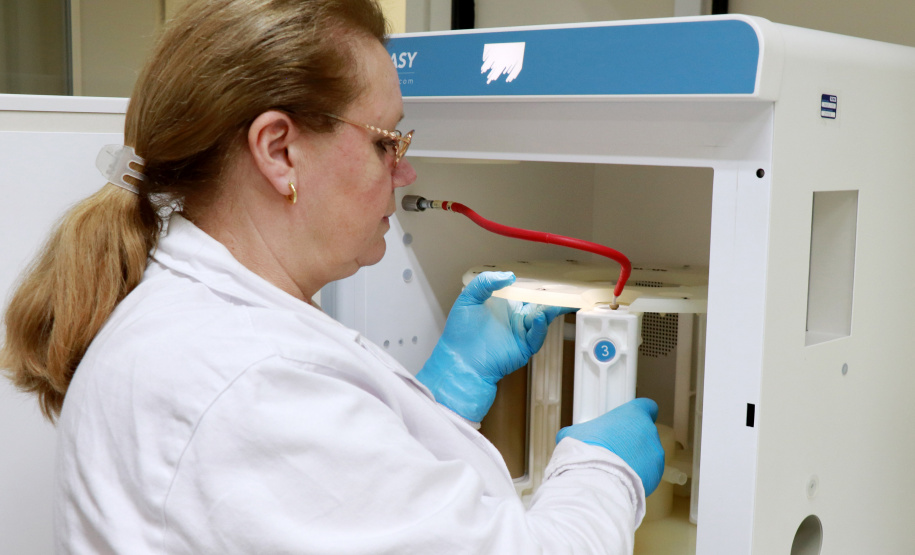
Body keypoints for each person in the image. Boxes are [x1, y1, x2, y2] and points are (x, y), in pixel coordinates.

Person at [0, 0, 664, 552]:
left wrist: (441, 396)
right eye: (385, 142)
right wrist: (603, 472)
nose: (405, 173)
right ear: (279, 151)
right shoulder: (243, 381)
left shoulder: (204, 324)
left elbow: (341, 497)